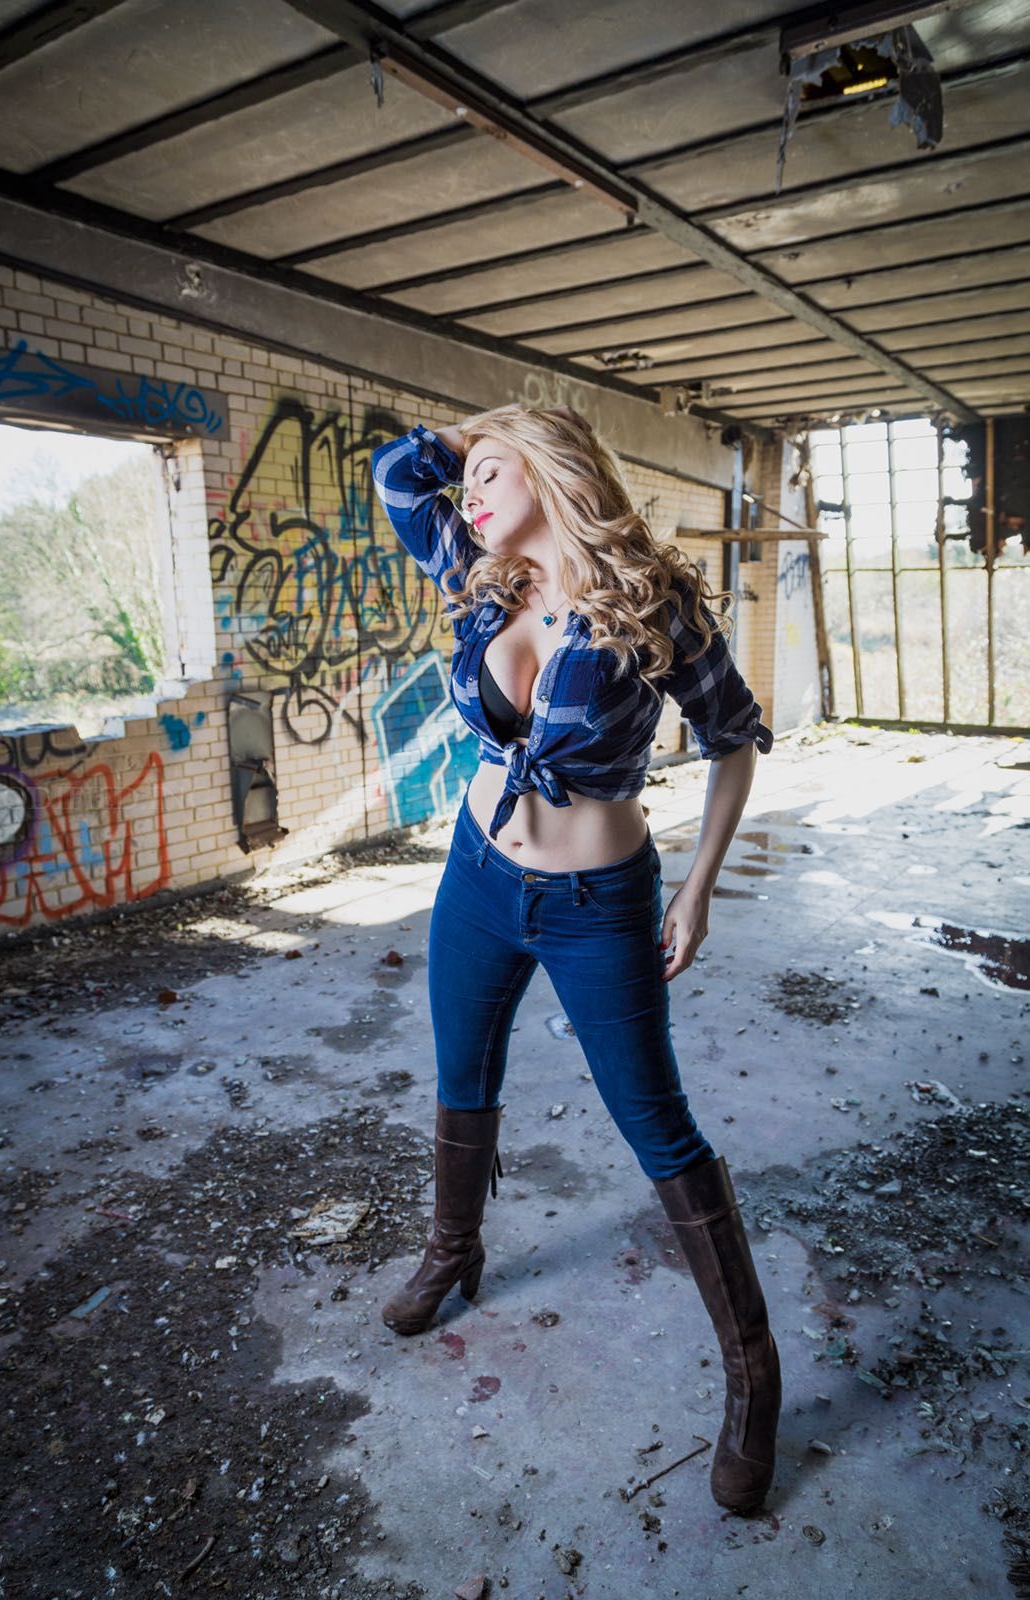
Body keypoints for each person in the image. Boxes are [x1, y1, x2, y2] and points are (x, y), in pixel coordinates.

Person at [370, 404, 781, 1515]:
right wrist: (474, 432)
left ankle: (752, 1376)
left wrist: (697, 887)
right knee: (463, 1073)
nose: (471, 495)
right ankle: (452, 1251)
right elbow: (397, 472)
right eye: (472, 478)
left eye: (498, 473)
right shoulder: (480, 573)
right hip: (476, 876)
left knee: (658, 1123)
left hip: (600, 902)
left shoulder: (650, 600)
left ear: (556, 477)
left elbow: (735, 737)